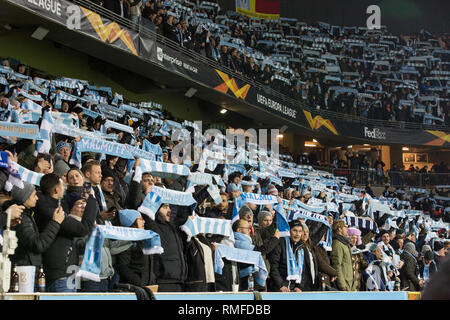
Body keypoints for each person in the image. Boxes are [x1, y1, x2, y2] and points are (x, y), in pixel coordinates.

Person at [3, 182, 64, 268]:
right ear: (25, 198)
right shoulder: (21, 218)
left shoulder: (26, 215)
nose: (37, 198)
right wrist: (55, 222)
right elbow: (37, 245)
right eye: (34, 195)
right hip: (24, 270)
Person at [44, 192, 97, 292]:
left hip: (73, 273)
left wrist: (93, 236)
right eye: (79, 204)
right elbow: (80, 235)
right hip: (62, 275)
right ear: (71, 207)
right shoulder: (64, 221)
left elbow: (80, 248)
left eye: (85, 204)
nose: (83, 207)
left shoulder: (80, 225)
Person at [116, 210, 150, 287]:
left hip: (147, 284)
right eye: (140, 219)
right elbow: (123, 267)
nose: (144, 222)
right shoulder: (125, 241)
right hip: (135, 287)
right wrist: (139, 282)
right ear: (132, 223)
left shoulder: (143, 238)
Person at [267, 220, 303, 292]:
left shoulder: (301, 247)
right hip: (279, 288)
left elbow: (302, 270)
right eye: (295, 231)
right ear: (289, 231)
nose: (297, 234)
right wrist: (281, 285)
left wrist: (298, 286)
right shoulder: (280, 243)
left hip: (293, 289)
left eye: (300, 231)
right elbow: (273, 266)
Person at [331, 220, 356, 291]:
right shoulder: (337, 244)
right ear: (339, 229)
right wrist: (342, 284)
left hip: (349, 282)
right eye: (345, 227)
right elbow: (337, 265)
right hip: (345, 283)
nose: (347, 229)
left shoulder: (344, 243)